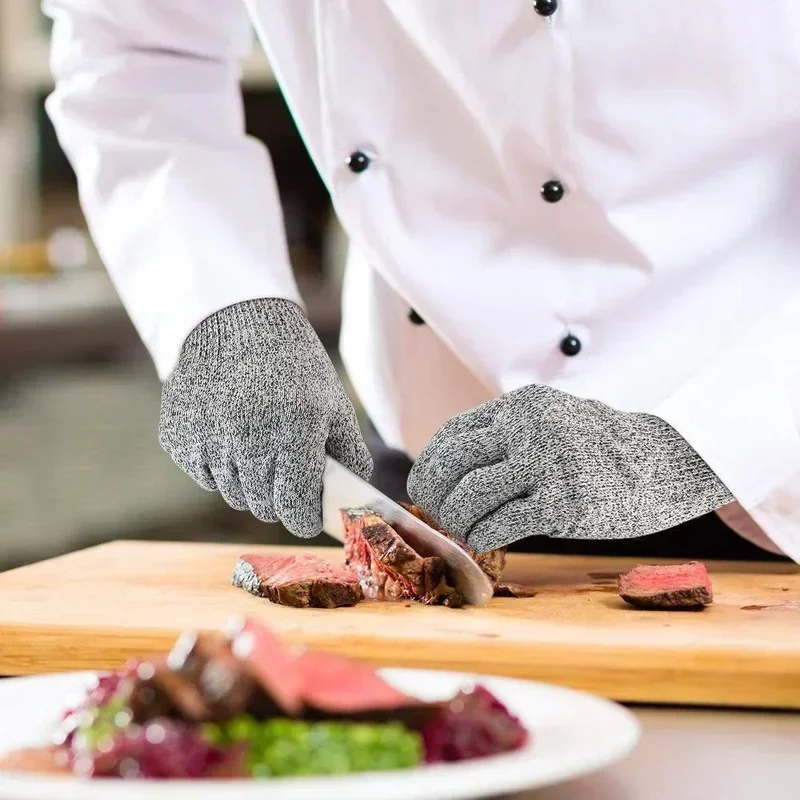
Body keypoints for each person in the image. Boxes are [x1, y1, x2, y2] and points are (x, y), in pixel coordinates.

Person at [43, 1, 800, 563]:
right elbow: (138, 52)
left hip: (764, 471)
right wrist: (215, 299)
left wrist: (715, 439)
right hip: (432, 462)